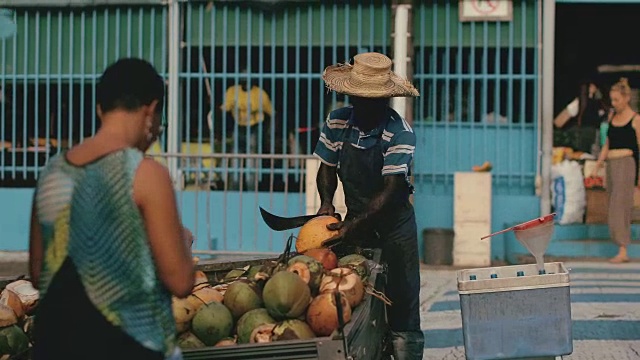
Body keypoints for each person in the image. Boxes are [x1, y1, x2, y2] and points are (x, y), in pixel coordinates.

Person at [29, 58, 195, 360]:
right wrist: (182, 241)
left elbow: (39, 272)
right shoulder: (145, 174)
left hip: (54, 346)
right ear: (151, 110)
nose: (157, 130)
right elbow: (181, 281)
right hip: (126, 346)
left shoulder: (52, 173)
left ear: (99, 109)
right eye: (159, 121)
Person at [313, 52, 423, 360]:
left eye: (373, 100)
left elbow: (391, 191)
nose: (365, 105)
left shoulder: (400, 132)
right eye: (360, 99)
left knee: (402, 305)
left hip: (394, 227)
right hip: (355, 221)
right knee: (352, 297)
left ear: (385, 100)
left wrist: (354, 225)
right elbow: (327, 167)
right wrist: (325, 204)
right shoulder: (337, 121)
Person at [591, 78, 640, 263]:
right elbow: (607, 144)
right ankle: (619, 245)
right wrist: (598, 164)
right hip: (611, 164)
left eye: (617, 99)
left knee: (620, 205)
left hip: (626, 164)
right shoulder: (611, 118)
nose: (614, 103)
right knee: (612, 204)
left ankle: (623, 248)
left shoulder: (636, 120)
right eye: (612, 100)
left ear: (626, 98)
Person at [220, 68, 274, 189]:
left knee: (251, 159)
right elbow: (224, 109)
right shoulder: (232, 91)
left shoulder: (260, 94)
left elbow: (271, 113)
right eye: (243, 80)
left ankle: (251, 187)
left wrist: (269, 132)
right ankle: (234, 186)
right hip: (238, 127)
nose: (246, 83)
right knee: (235, 159)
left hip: (254, 128)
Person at [554, 79, 608, 153]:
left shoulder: (603, 104)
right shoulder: (580, 103)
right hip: (582, 143)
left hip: (598, 142)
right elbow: (558, 122)